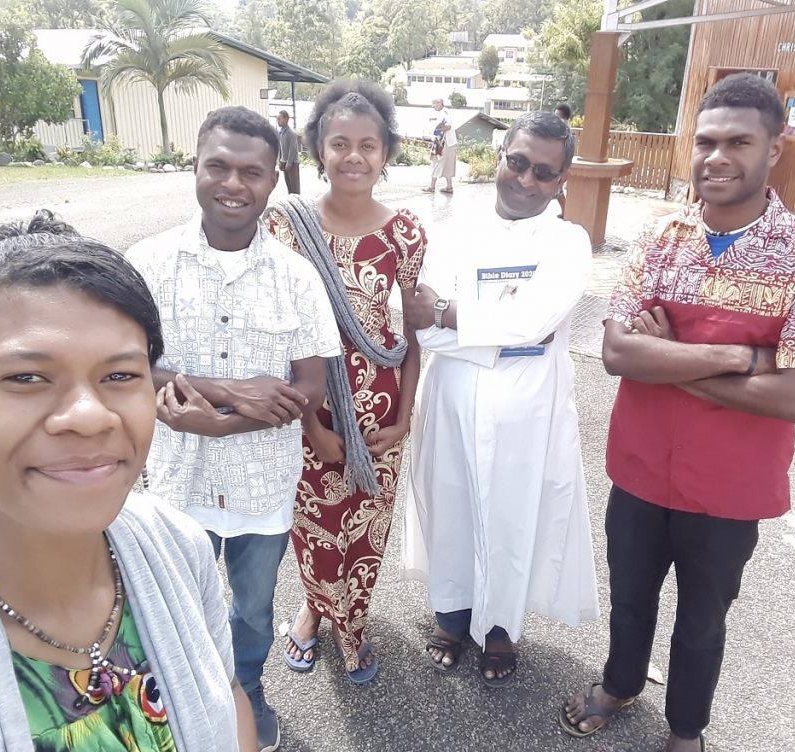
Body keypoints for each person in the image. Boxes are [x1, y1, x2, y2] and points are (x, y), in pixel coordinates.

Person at [0, 211, 257, 751]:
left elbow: (228, 690)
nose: (89, 415)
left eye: (120, 375)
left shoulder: (177, 545)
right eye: (26, 377)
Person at [560, 73, 795, 752]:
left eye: (738, 142)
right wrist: (742, 357)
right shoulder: (660, 236)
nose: (717, 157)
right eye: (706, 142)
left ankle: (686, 729)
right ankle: (619, 684)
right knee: (630, 595)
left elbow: (793, 398)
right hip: (640, 466)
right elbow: (617, 353)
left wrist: (670, 356)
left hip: (729, 484)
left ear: (774, 149)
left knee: (702, 618)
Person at [126, 107, 341, 752]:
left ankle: (246, 690)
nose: (232, 184)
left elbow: (310, 386)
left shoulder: (297, 277)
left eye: (251, 171)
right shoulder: (146, 265)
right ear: (194, 167)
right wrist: (229, 391)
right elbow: (124, 367)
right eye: (217, 166)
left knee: (253, 610)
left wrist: (218, 427)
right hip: (175, 480)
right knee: (168, 605)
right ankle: (176, 704)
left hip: (261, 486)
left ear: (274, 179)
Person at [401, 110, 599, 687]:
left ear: (562, 180)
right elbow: (424, 329)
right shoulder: (451, 232)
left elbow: (536, 323)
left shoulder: (568, 243)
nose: (526, 180)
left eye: (544, 172)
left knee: (514, 518)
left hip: (527, 413)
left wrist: (451, 314)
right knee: (452, 506)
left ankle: (500, 629)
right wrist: (496, 331)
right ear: (500, 157)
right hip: (452, 400)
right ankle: (451, 616)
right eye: (518, 162)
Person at [265, 79, 426, 685]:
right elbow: (278, 335)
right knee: (315, 525)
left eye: (367, 145)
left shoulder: (405, 232)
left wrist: (404, 418)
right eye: (339, 143)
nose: (353, 156)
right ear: (318, 149)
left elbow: (411, 334)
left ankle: (351, 623)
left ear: (386, 153)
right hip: (309, 408)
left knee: (364, 526)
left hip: (380, 416)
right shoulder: (286, 227)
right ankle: (313, 609)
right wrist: (309, 422)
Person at [422, 98, 457, 194]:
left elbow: (448, 126)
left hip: (444, 143)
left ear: (440, 103)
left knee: (437, 162)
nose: (433, 106)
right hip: (450, 142)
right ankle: (449, 187)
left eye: (434, 103)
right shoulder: (446, 112)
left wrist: (437, 130)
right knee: (448, 164)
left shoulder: (443, 113)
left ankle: (432, 186)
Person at [553, 102, 572, 218]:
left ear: (566, 117)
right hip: (555, 163)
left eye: (559, 116)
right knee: (558, 191)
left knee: (558, 190)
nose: (556, 118)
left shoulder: (566, 132)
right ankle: (565, 212)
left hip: (561, 164)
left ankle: (566, 213)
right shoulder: (556, 129)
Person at [276, 110, 300, 195]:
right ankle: (290, 201)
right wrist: (280, 160)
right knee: (288, 185)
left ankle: (297, 201)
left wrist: (289, 163)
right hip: (284, 162)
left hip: (292, 163)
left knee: (294, 186)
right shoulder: (280, 133)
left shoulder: (291, 133)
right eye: (277, 119)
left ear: (286, 119)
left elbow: (292, 149)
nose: (278, 121)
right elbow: (280, 148)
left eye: (280, 119)